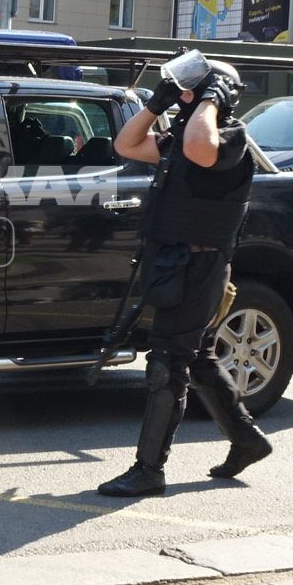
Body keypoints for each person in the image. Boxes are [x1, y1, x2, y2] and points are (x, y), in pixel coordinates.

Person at [96, 54, 271, 498]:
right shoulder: (180, 136)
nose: (186, 99)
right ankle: (247, 440)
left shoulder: (229, 138)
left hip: (201, 268)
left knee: (166, 364)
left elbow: (199, 148)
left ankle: (149, 469)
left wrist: (211, 98)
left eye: (195, 92)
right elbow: (126, 145)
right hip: (176, 264)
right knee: (196, 357)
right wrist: (156, 104)